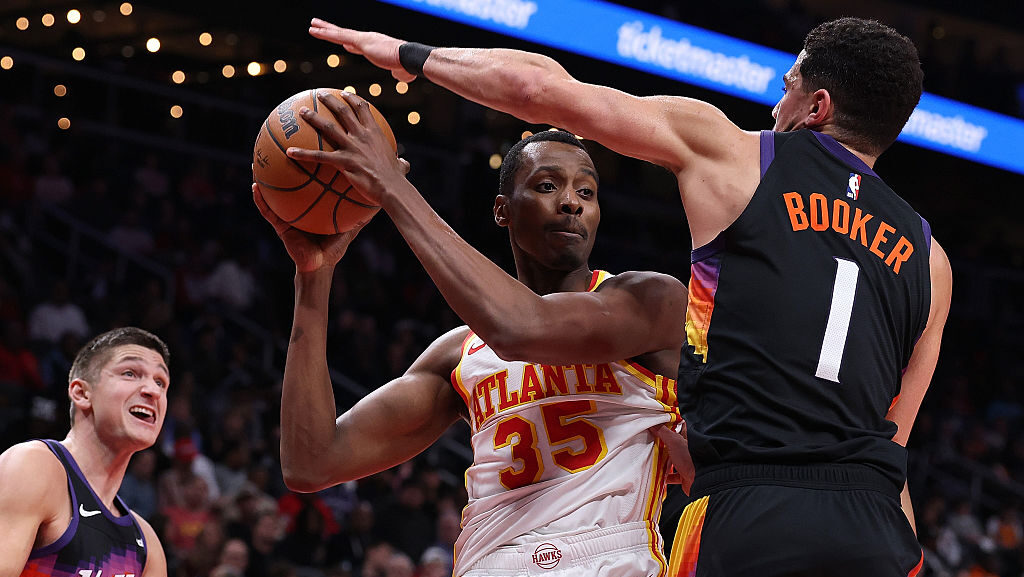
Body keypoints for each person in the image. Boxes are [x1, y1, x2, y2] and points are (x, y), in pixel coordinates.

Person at [310, 14, 953, 577]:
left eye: (785, 89)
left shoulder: (737, 155)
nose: (774, 108)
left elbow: (541, 90)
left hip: (752, 504)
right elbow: (892, 440)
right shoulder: (932, 259)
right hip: (874, 524)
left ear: (815, 106)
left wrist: (406, 54)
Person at [254, 122, 689, 576]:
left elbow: (522, 329)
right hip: (488, 560)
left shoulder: (650, 300)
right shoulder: (458, 356)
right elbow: (311, 462)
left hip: (606, 556)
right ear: (502, 211)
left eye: (587, 192)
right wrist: (313, 276)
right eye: (547, 185)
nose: (570, 202)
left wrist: (394, 188)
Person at [0, 326, 169, 577]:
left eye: (160, 382)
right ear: (81, 393)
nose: (153, 391)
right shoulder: (34, 466)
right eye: (130, 373)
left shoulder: (146, 544)